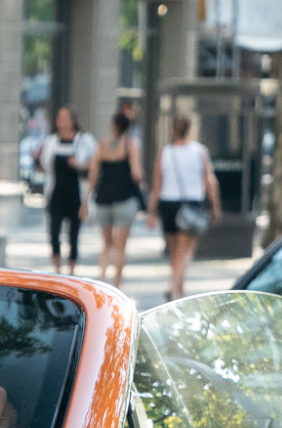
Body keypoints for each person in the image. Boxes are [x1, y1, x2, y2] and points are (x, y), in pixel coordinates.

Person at [153, 113, 220, 301]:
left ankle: (178, 293)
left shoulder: (165, 152)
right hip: (191, 204)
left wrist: (151, 210)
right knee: (186, 251)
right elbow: (209, 180)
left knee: (174, 252)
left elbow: (157, 183)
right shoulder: (199, 151)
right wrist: (215, 206)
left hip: (168, 204)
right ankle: (172, 285)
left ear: (173, 130)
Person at [89, 110, 147, 287]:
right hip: (125, 198)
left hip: (103, 198)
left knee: (106, 243)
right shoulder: (131, 145)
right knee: (120, 246)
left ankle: (102, 278)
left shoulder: (101, 146)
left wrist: (85, 201)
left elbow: (93, 175)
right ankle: (116, 284)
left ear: (113, 126)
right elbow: (136, 173)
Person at [40, 108, 96, 274]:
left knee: (74, 233)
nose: (62, 121)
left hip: (76, 193)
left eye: (66, 118)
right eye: (59, 118)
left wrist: (79, 165)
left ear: (73, 120)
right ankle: (57, 267)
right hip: (56, 192)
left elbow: (95, 164)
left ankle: (71, 270)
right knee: (54, 231)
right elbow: (45, 165)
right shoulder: (52, 142)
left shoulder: (84, 140)